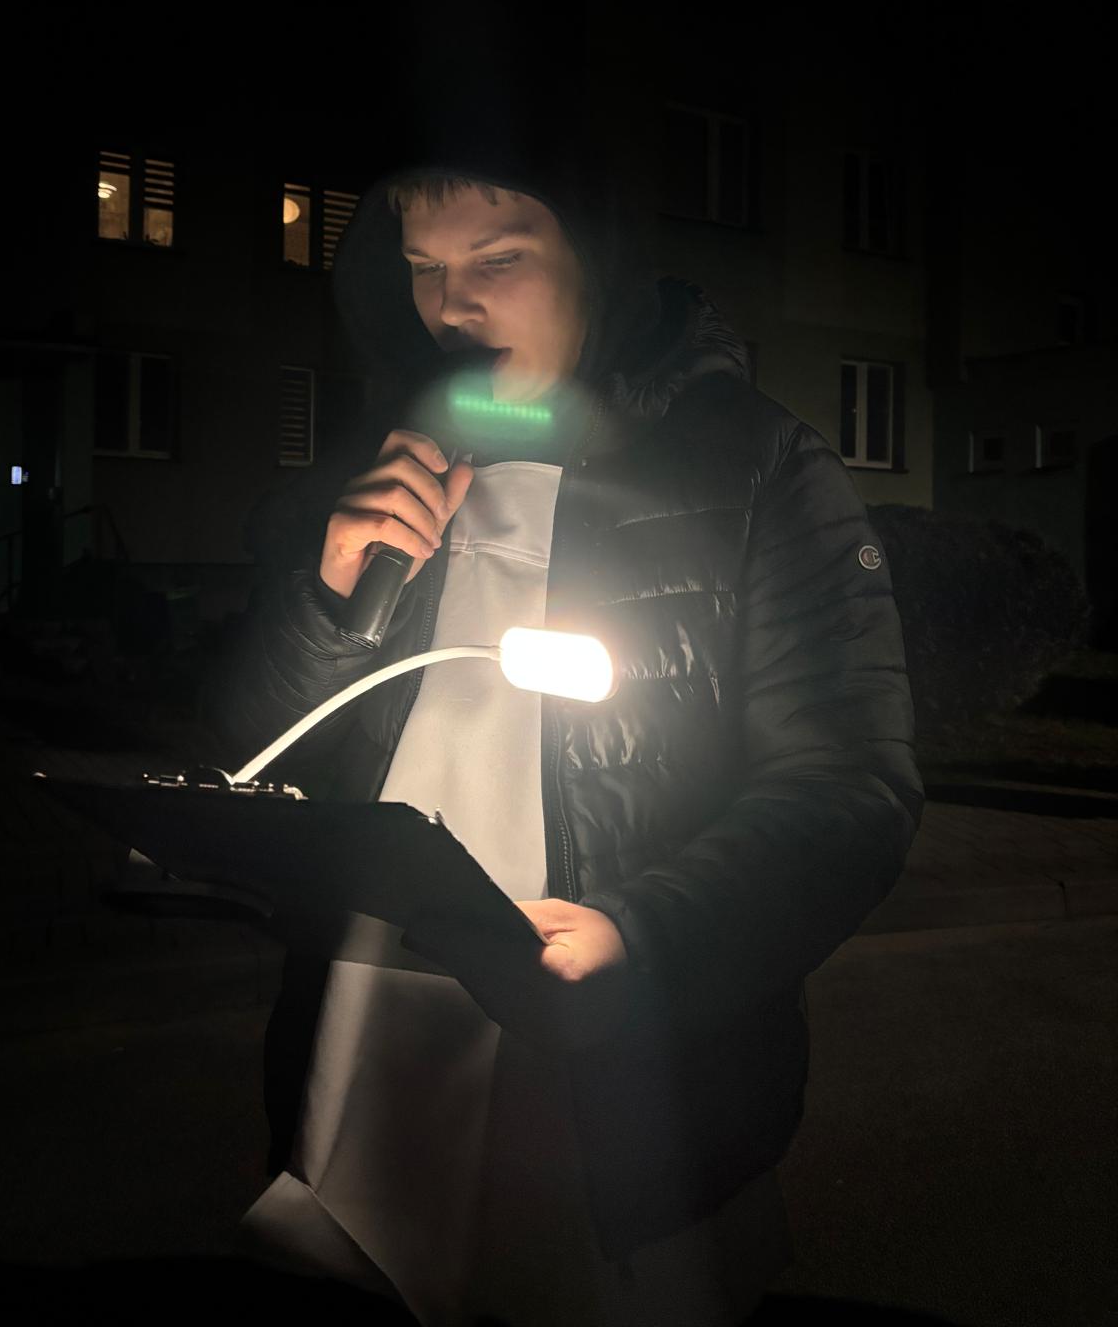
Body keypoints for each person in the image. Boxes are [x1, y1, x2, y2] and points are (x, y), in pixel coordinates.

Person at [209, 128, 923, 1327]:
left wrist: (647, 936)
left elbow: (849, 783)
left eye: (498, 258)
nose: (452, 304)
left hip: (622, 1069)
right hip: (370, 1034)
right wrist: (328, 603)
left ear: (598, 264)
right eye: (423, 266)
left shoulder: (754, 463)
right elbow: (252, 753)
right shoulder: (371, 472)